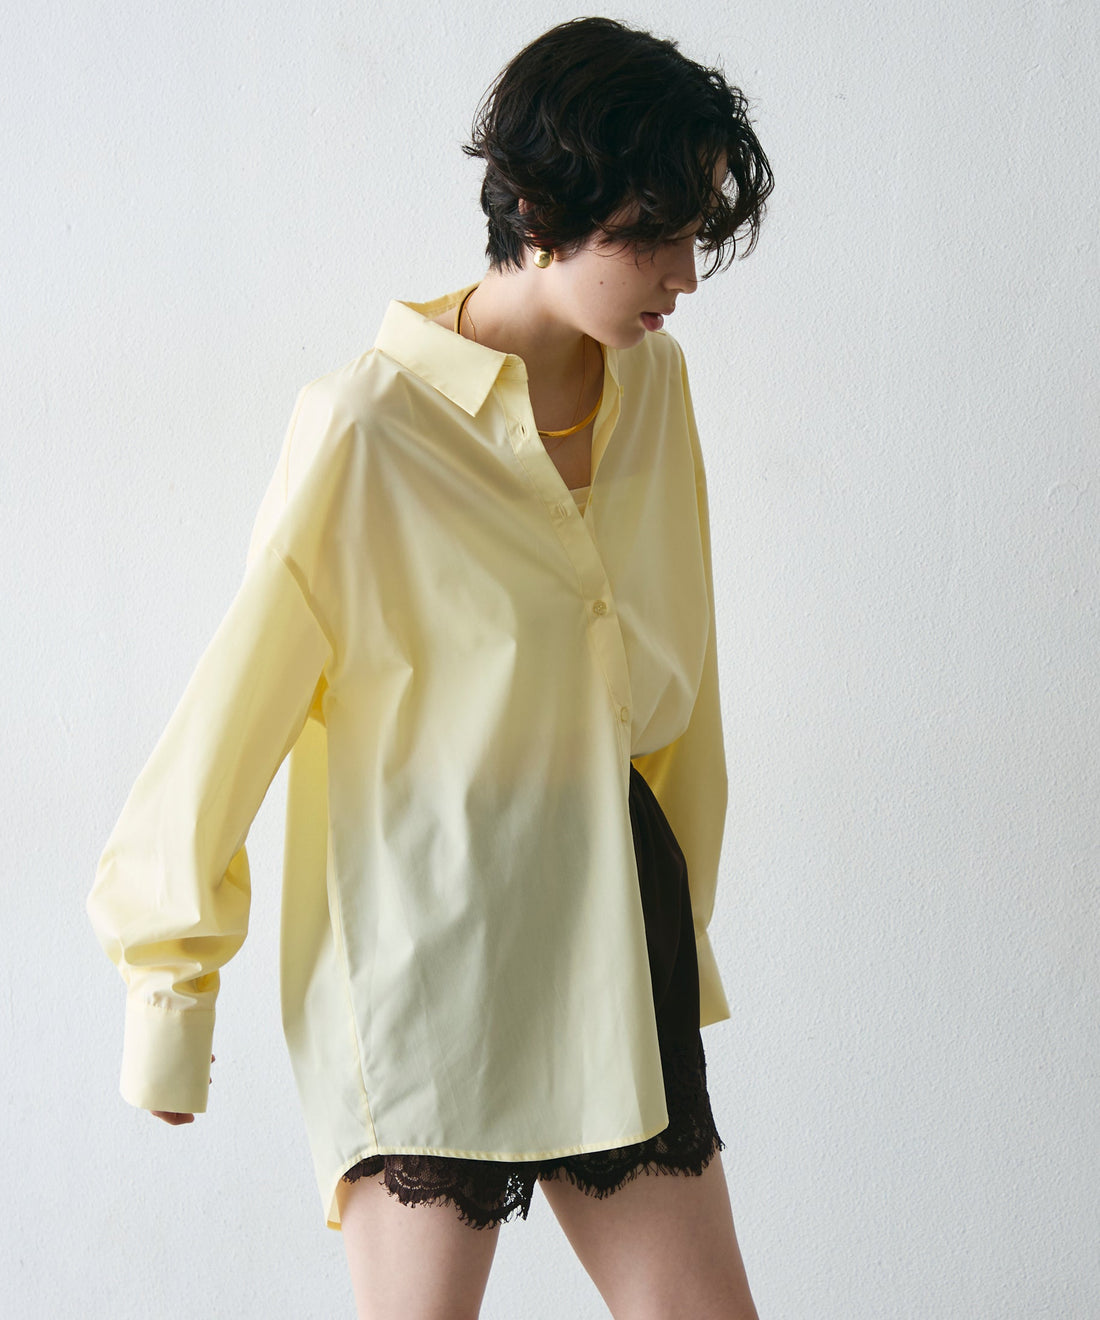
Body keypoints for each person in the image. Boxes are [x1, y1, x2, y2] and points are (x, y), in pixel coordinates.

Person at [87, 14, 772, 1319]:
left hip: (615, 917)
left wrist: (681, 924)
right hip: (426, 935)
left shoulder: (656, 388)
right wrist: (170, 998)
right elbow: (230, 714)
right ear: (540, 209)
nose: (685, 273)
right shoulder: (367, 428)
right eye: (654, 231)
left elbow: (687, 678)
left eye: (697, 233)